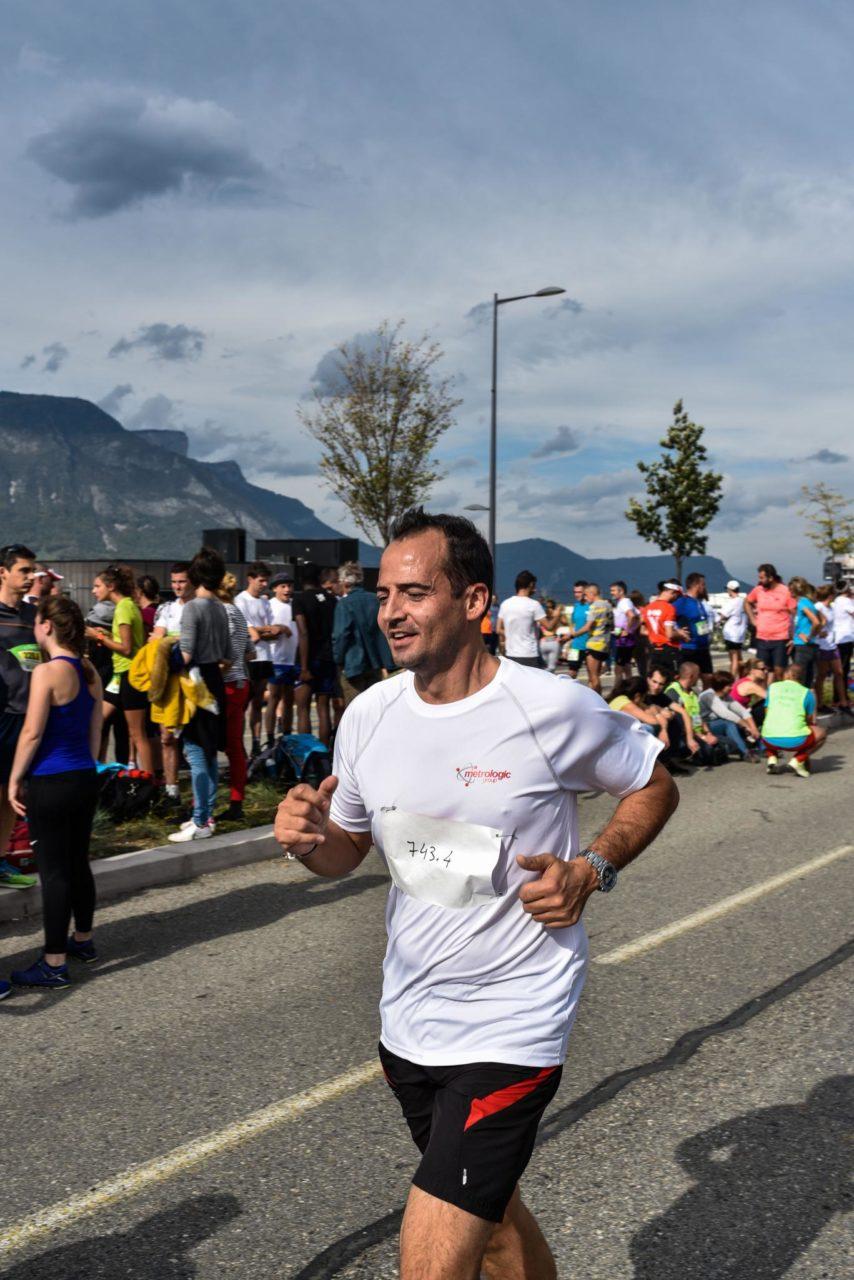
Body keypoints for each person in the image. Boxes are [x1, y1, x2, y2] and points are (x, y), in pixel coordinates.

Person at [274, 508, 678, 1280]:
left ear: (474, 602)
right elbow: (348, 850)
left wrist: (592, 868)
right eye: (385, 591)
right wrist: (307, 839)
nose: (391, 610)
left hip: (513, 1020)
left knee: (432, 1261)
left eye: (415, 592)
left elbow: (651, 784)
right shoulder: (369, 716)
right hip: (410, 1018)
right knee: (489, 1228)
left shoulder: (548, 708)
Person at [6, 596, 103, 988]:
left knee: (55, 872)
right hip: (83, 775)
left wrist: (15, 778)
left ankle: (54, 962)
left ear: (46, 626)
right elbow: (95, 730)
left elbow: (32, 732)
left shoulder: (47, 672)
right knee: (78, 861)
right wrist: (88, 766)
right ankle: (83, 940)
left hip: (51, 780)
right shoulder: (89, 669)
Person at [169, 547, 234, 842]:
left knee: (195, 753)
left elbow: (184, 654)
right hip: (214, 680)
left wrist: (162, 659)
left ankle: (199, 820)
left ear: (194, 576)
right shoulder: (222, 608)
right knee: (207, 753)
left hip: (193, 682)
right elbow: (229, 654)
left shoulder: (192, 608)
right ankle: (206, 814)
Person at [84, 563, 152, 775]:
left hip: (130, 675)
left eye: (97, 586)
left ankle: (149, 784)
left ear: (111, 586)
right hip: (118, 675)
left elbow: (126, 647)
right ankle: (92, 772)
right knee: (96, 721)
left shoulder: (123, 607)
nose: (94, 591)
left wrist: (99, 637)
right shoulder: (128, 605)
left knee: (137, 734)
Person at [0, 543, 40, 890]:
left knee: (12, 794)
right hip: (2, 715)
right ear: (3, 573)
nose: (31, 577)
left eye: (33, 571)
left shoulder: (34, 616)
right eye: (24, 571)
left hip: (30, 716)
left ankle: (2, 861)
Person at [151, 562, 194, 808]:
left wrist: (170, 639)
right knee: (167, 737)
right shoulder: (167, 608)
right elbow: (156, 637)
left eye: (182, 581)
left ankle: (199, 802)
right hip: (169, 680)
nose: (177, 586)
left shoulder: (199, 607)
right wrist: (174, 639)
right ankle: (171, 790)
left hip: (193, 681)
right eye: (174, 582)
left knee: (193, 741)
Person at [216, 573, 253, 824]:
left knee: (208, 746)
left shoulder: (223, 613)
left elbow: (226, 656)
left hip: (226, 684)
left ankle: (203, 806)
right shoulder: (238, 613)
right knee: (235, 747)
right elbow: (250, 652)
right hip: (240, 682)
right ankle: (236, 800)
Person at [331, 561, 393, 705]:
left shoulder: (344, 604)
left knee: (355, 711)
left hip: (352, 664)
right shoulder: (375, 600)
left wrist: (338, 659)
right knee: (373, 709)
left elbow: (341, 635)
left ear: (345, 582)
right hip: (375, 663)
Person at [292, 563, 337, 745]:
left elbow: (303, 632)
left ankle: (308, 758)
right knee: (323, 708)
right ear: (319, 578)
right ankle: (325, 757)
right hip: (328, 658)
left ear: (301, 579)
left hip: (308, 659)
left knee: (302, 709)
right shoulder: (332, 600)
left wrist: (303, 667)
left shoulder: (300, 599)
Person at [235, 562, 276, 758]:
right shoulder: (240, 600)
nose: (264, 584)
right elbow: (250, 632)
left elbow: (273, 631)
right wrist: (265, 630)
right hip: (248, 658)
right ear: (250, 579)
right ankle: (239, 745)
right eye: (261, 580)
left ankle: (257, 743)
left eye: (266, 581)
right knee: (243, 703)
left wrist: (265, 630)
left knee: (259, 703)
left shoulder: (265, 601)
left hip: (265, 657)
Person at [762, 663, 826, 778]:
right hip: (796, 741)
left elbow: (767, 711)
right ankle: (798, 759)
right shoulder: (807, 693)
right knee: (822, 733)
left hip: (768, 738)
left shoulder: (772, 687)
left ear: (787, 674)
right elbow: (809, 719)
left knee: (769, 724)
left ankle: (772, 758)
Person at [264, 572, 300, 742]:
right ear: (274, 589)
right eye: (283, 586)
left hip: (293, 658)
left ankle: (287, 736)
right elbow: (262, 630)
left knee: (289, 699)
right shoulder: (269, 605)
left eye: (290, 586)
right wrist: (278, 628)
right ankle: (270, 736)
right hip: (275, 659)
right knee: (274, 698)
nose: (287, 589)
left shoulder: (296, 604)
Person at [664, 662, 723, 764]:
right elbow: (681, 723)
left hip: (697, 732)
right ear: (691, 676)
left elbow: (697, 716)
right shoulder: (673, 692)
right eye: (698, 675)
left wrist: (707, 733)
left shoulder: (692, 692)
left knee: (725, 744)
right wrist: (702, 737)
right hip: (684, 734)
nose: (699, 678)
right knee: (710, 754)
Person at [745, 564, 795, 682]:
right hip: (762, 638)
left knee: (779, 671)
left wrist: (794, 636)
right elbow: (746, 602)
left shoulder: (785, 591)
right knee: (761, 672)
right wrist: (753, 620)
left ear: (771, 578)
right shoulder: (758, 590)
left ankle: (780, 697)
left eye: (762, 578)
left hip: (780, 638)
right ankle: (763, 698)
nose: (760, 581)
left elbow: (795, 613)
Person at [698, 673, 759, 761]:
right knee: (730, 723)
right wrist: (746, 725)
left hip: (720, 722)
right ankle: (745, 753)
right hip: (706, 726)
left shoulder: (726, 696)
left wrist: (753, 727)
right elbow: (725, 713)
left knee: (746, 723)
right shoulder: (708, 695)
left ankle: (764, 748)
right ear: (720, 686)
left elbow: (742, 711)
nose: (732, 688)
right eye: (729, 685)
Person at [814, 583, 851, 715]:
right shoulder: (818, 606)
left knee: (839, 672)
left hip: (832, 644)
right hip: (822, 645)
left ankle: (843, 702)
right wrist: (819, 632)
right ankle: (819, 703)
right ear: (830, 595)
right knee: (822, 675)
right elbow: (813, 623)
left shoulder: (832, 607)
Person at [497, 571, 545, 667]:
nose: (535, 589)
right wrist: (557, 615)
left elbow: (498, 629)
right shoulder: (534, 604)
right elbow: (549, 626)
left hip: (511, 654)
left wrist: (511, 634)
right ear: (530, 585)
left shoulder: (505, 604)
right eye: (534, 586)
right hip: (529, 654)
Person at [571, 583, 613, 693]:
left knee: (593, 677)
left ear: (592, 593)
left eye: (585, 594)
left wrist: (571, 635)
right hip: (604, 644)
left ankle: (598, 701)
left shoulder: (594, 606)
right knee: (595, 676)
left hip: (594, 644)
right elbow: (612, 625)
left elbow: (587, 627)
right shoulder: (608, 605)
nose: (585, 597)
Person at [675, 572, 714, 682]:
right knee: (689, 680)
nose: (704, 587)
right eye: (703, 584)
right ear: (696, 585)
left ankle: (704, 699)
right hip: (689, 648)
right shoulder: (682, 602)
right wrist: (677, 630)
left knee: (708, 678)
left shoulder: (699, 602)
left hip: (703, 647)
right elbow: (668, 617)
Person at [640, 582, 685, 676]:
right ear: (672, 592)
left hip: (654, 650)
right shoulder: (669, 608)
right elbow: (670, 635)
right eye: (677, 595)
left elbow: (643, 631)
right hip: (669, 649)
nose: (676, 599)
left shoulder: (647, 608)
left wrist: (657, 634)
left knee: (657, 678)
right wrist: (681, 634)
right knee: (674, 678)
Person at [788, 577, 822, 692]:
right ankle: (811, 709)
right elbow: (821, 622)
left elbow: (816, 622)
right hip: (809, 646)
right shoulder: (809, 603)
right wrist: (815, 634)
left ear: (793, 590)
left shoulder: (802, 603)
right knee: (809, 681)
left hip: (803, 646)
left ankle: (799, 708)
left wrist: (809, 636)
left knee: (799, 679)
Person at [610, 581, 640, 682]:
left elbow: (632, 615)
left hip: (624, 641)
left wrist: (627, 630)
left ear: (621, 591)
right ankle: (629, 689)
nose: (611, 593)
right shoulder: (624, 602)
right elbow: (639, 617)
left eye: (613, 590)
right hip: (625, 639)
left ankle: (616, 692)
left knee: (618, 669)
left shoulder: (624, 602)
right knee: (626, 668)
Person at [718, 580, 748, 677]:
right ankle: (742, 677)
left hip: (731, 634)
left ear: (730, 589)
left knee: (733, 658)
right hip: (740, 633)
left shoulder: (732, 602)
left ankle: (731, 679)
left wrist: (717, 620)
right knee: (739, 657)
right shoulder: (743, 601)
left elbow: (722, 615)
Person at [831, 580, 854, 695]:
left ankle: (838, 696)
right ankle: (841, 696)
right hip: (846, 638)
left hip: (838, 637)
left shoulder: (836, 601)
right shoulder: (846, 601)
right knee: (844, 669)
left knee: (840, 669)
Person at [564, 581, 589, 679]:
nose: (576, 594)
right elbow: (573, 626)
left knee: (592, 676)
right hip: (575, 646)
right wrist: (567, 646)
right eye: (575, 592)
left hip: (589, 645)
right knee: (571, 674)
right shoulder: (576, 606)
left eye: (579, 592)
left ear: (585, 592)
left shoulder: (591, 606)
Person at [538, 599, 564, 674]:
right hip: (548, 641)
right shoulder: (545, 615)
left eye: (551, 607)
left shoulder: (542, 615)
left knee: (547, 668)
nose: (549, 609)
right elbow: (565, 622)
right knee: (549, 668)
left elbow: (565, 622)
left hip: (548, 641)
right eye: (547, 607)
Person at [629, 589, 649, 678]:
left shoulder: (636, 611)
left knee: (642, 666)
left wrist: (629, 629)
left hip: (638, 640)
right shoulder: (645, 609)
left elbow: (639, 624)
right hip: (644, 640)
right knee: (645, 665)